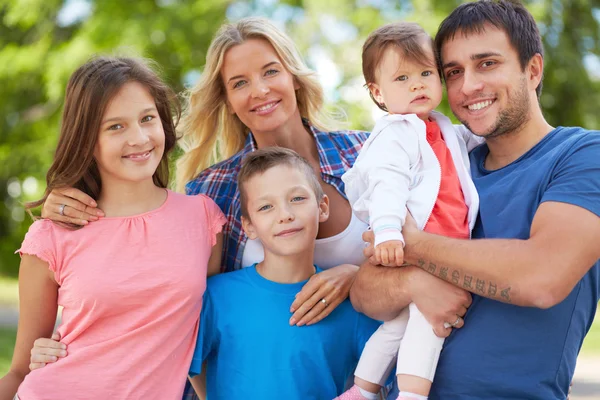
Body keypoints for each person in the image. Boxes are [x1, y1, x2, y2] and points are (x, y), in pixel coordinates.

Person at [29, 17, 471, 399]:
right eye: (239, 83)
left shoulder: (367, 153)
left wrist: (354, 279)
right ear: (227, 100)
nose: (259, 90)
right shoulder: (214, 192)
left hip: (379, 364)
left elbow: (436, 230)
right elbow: (188, 311)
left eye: (270, 71)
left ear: (294, 76)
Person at [351, 1, 600, 399]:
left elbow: (542, 278)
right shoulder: (440, 164)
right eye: (453, 72)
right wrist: (414, 282)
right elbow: (365, 292)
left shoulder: (583, 155)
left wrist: (416, 246)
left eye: (487, 63)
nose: (468, 86)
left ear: (532, 70)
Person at [0, 56, 225, 400]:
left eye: (147, 119)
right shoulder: (52, 235)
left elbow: (206, 333)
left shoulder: (203, 218)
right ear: (87, 139)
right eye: (115, 126)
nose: (139, 138)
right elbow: (19, 369)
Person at [337, 22, 482, 400]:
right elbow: (387, 184)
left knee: (397, 326)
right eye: (402, 78)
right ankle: (413, 395)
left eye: (425, 73)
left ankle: (362, 389)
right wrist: (387, 232)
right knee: (428, 322)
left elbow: (471, 142)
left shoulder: (439, 125)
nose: (417, 84)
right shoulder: (395, 132)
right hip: (416, 246)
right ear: (377, 93)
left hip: (438, 241)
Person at [186, 147, 381, 399]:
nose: (285, 215)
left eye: (297, 199)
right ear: (249, 226)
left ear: (322, 207)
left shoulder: (351, 305)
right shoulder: (216, 296)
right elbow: (194, 367)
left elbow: (380, 380)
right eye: (266, 207)